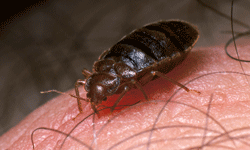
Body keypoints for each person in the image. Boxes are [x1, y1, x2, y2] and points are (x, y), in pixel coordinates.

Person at [1, 43, 250, 149]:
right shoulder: (93, 79)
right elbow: (83, 82)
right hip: (124, 55)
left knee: (153, 72)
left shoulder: (127, 80)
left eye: (98, 95)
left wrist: (150, 102)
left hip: (160, 47)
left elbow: (146, 80)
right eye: (91, 94)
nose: (94, 99)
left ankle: (186, 89)